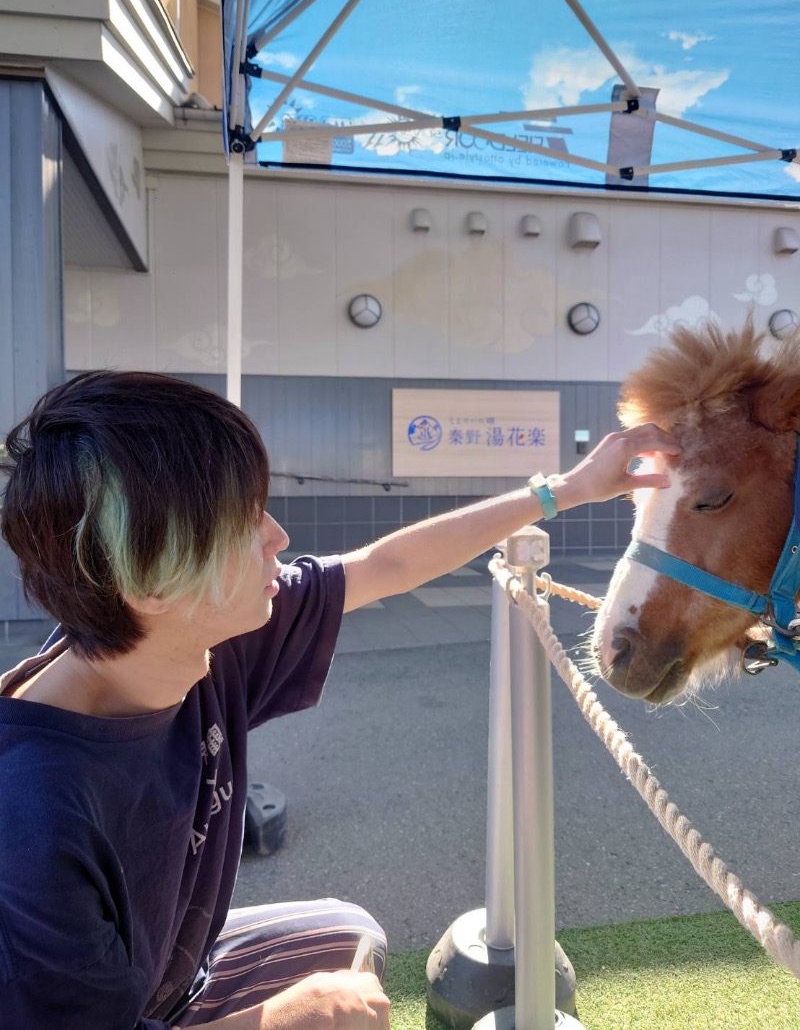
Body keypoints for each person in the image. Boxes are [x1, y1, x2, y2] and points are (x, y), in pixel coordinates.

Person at [0, 370, 681, 1030]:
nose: (279, 538)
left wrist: (566, 490)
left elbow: (386, 565)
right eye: (243, 521)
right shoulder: (34, 818)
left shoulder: (185, 635)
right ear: (149, 580)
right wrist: (279, 1020)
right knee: (328, 1008)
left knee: (348, 936)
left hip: (167, 978)